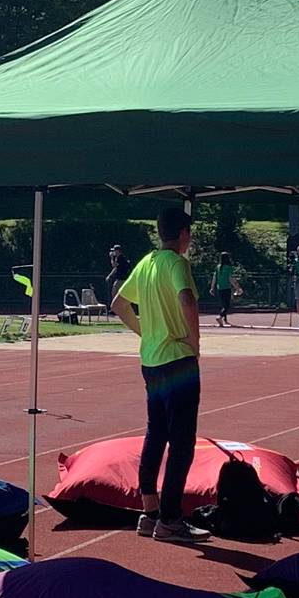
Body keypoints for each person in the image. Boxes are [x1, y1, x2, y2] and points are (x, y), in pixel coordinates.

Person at [114, 209, 206, 542]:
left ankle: (150, 512)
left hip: (151, 361)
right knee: (182, 442)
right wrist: (194, 341)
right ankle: (170, 518)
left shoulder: (146, 263)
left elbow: (119, 304)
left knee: (156, 434)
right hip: (178, 359)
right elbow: (186, 298)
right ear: (184, 233)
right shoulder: (176, 263)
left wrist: (146, 332)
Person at [208, 256, 238, 328]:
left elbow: (214, 277)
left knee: (223, 304)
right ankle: (220, 317)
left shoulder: (218, 267)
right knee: (227, 305)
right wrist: (236, 287)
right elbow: (230, 278)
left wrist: (212, 287)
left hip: (219, 288)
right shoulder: (228, 268)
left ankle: (224, 320)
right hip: (226, 288)